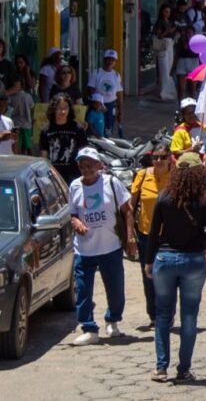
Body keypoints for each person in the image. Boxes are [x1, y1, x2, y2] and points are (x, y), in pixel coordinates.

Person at [143, 152, 206, 382]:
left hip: (164, 260)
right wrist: (203, 245)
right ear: (199, 172)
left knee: (163, 314)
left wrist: (148, 261)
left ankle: (161, 367)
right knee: (189, 316)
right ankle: (183, 369)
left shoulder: (164, 197)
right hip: (193, 261)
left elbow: (154, 233)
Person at [68, 147, 136, 345]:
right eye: (82, 166)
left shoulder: (111, 183)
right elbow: (73, 213)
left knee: (115, 289)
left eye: (90, 165)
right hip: (84, 248)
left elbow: (128, 211)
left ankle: (113, 320)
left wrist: (130, 238)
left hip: (110, 246)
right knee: (82, 289)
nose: (86, 169)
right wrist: (77, 223)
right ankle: (89, 328)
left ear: (99, 165)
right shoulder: (74, 186)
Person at [130, 143, 173, 328]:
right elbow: (130, 207)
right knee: (148, 276)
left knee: (168, 277)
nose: (159, 161)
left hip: (169, 235)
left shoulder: (175, 176)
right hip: (146, 234)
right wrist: (130, 234)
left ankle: (168, 315)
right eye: (155, 157)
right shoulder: (142, 175)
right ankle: (154, 316)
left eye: (163, 157)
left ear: (169, 158)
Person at [39, 93, 89, 185]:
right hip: (53, 179)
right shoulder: (45, 130)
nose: (63, 111)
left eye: (65, 108)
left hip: (75, 177)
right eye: (60, 108)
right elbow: (44, 158)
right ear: (53, 109)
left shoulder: (78, 129)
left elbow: (84, 154)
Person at [88, 49, 124, 136]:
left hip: (111, 105)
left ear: (115, 62)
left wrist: (120, 110)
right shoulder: (96, 72)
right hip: (97, 105)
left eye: (113, 60)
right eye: (108, 59)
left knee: (109, 128)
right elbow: (90, 89)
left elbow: (119, 93)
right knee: (97, 128)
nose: (110, 61)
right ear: (104, 60)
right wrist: (98, 104)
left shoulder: (116, 75)